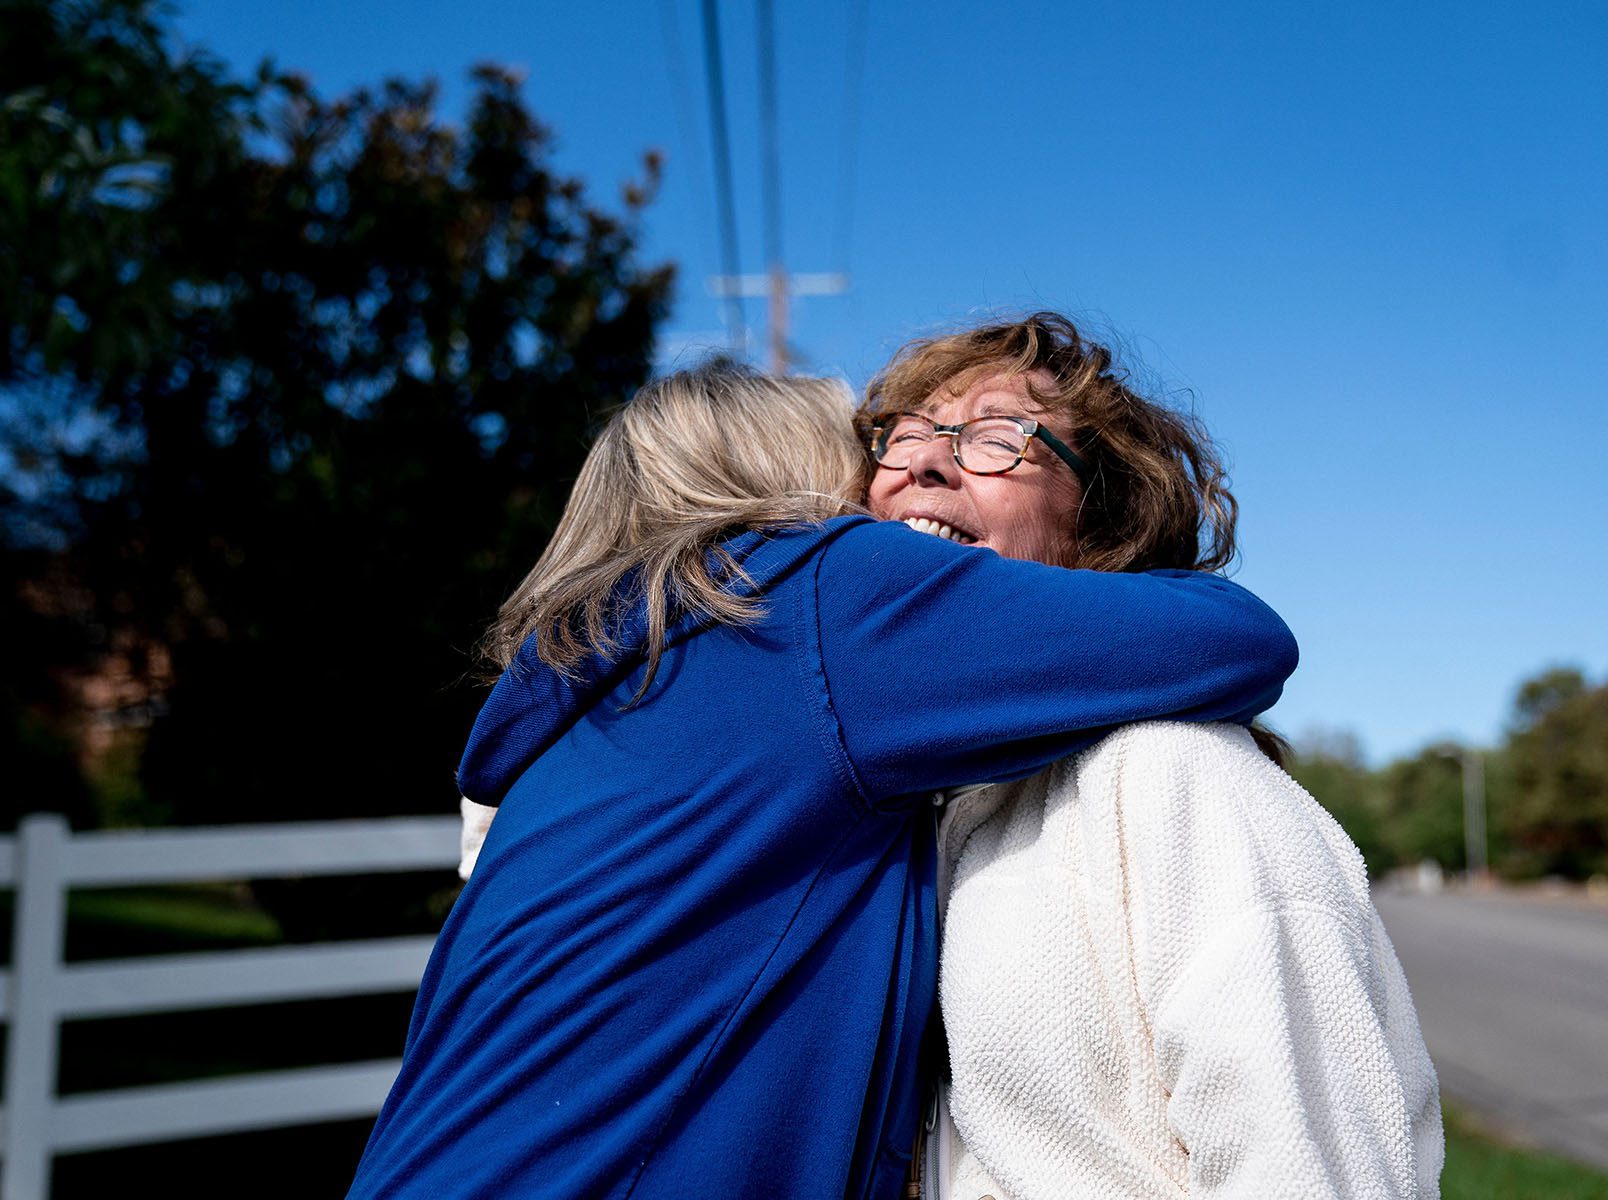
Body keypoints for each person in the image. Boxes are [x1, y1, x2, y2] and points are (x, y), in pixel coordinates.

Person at [350, 361, 1298, 1199]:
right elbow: (1240, 636)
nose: (903, 469)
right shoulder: (814, 597)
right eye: (880, 443)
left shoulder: (604, 699)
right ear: (791, 485)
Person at [849, 313, 1443, 1199]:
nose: (931, 460)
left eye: (1000, 440)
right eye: (908, 434)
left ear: (1099, 530)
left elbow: (1312, 1173)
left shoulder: (1174, 779)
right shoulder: (910, 806)